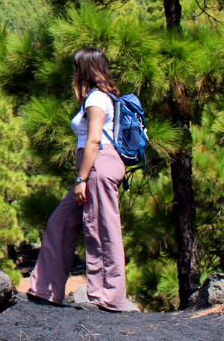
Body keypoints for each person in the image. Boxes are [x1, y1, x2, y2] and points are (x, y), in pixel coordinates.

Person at [26, 47, 136, 312]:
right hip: (93, 169)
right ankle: (46, 289)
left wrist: (81, 178)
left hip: (97, 168)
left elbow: (95, 140)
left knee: (101, 230)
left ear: (84, 70)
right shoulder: (97, 98)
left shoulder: (97, 99)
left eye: (76, 67)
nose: (73, 73)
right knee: (60, 222)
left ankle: (107, 298)